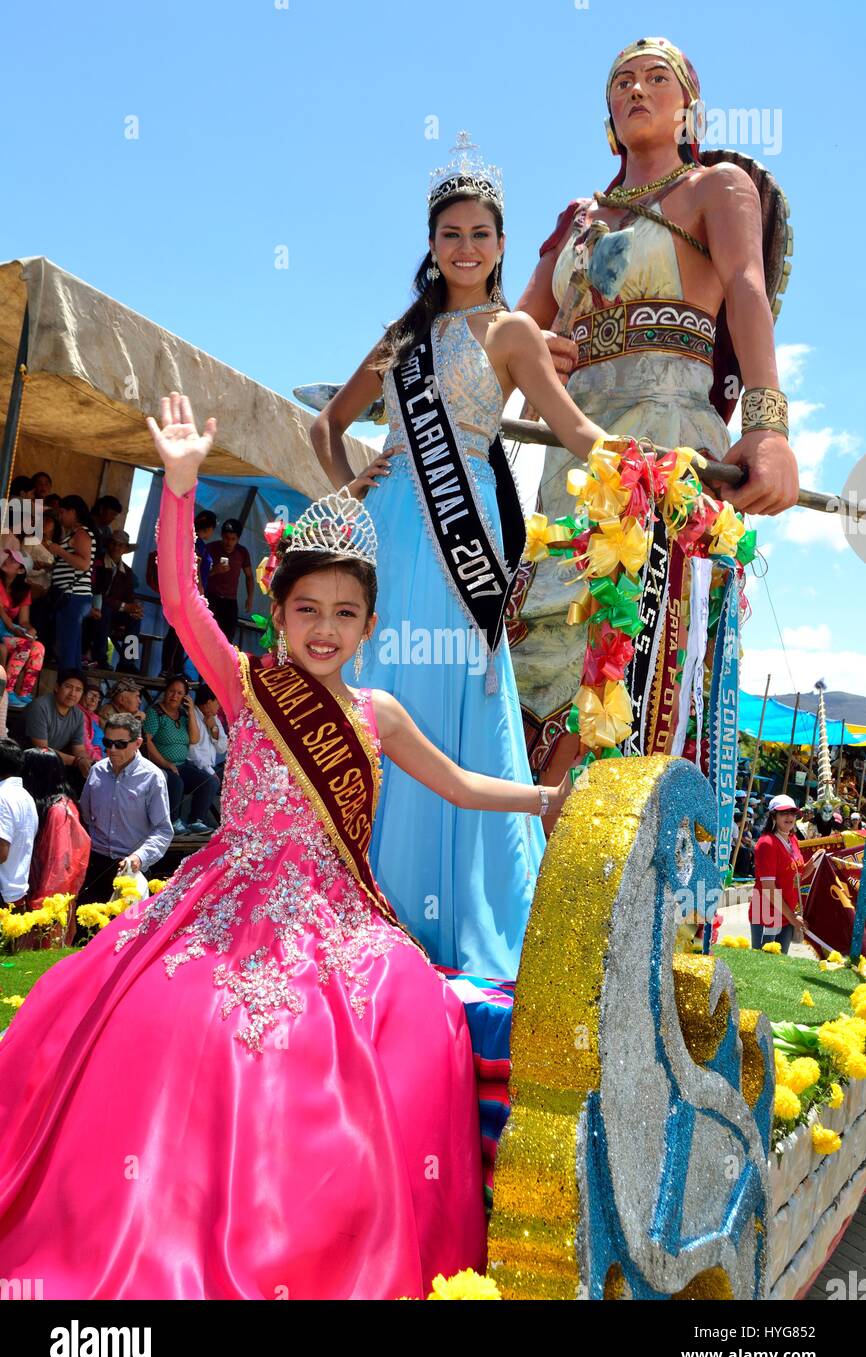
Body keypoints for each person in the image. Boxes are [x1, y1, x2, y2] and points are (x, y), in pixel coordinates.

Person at [0, 392, 575, 1299]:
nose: (325, 628)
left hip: (336, 908)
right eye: (308, 607)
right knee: (179, 1021)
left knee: (417, 1009)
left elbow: (461, 786)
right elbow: (184, 600)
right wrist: (181, 488)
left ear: (369, 626)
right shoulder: (250, 685)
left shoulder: (379, 715)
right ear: (279, 608)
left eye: (346, 613)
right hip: (227, 900)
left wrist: (544, 796)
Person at [312, 134, 603, 976]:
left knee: (461, 696)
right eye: (450, 234)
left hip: (464, 528)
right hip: (395, 527)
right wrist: (352, 496)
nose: (465, 247)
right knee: (382, 693)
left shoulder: (512, 329)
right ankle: (368, 899)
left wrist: (640, 461)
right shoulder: (401, 336)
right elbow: (325, 424)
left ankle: (460, 917)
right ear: (431, 244)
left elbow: (571, 429)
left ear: (502, 245)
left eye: (481, 234)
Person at [508, 36, 800, 789]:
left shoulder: (717, 188)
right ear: (608, 111)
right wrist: (536, 348)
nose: (638, 89)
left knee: (649, 648)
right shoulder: (576, 218)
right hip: (568, 468)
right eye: (623, 81)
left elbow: (745, 291)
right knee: (542, 646)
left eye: (657, 78)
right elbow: (510, 338)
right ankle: (537, 851)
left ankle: (627, 871)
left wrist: (769, 429)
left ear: (687, 104)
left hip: (671, 451)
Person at [77, 711, 173, 913]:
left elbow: (163, 830)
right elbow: (84, 816)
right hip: (95, 863)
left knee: (124, 935)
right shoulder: (97, 771)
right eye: (107, 743)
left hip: (131, 867)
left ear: (138, 743)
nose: (112, 749)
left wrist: (139, 857)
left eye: (120, 744)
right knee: (86, 933)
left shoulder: (152, 777)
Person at [22, 747, 90, 941]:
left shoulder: (59, 810)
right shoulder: (55, 805)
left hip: (51, 900)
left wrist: (42, 905)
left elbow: (58, 865)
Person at [750, 794, 820, 953]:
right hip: (766, 913)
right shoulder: (767, 843)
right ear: (773, 816)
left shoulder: (793, 839)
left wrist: (814, 862)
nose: (789, 817)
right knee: (763, 967)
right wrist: (792, 917)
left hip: (787, 913)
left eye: (792, 813)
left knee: (780, 967)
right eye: (784, 813)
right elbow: (768, 888)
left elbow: (797, 877)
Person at [142, 674, 212, 832]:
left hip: (181, 764)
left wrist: (191, 712)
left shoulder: (183, 714)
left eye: (179, 693)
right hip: (160, 765)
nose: (175, 695)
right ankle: (173, 822)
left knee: (207, 781)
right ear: (166, 692)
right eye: (172, 691)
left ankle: (196, 820)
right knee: (176, 782)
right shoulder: (155, 712)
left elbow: (194, 739)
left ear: (185, 697)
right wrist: (166, 763)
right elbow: (147, 741)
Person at [161, 508, 217, 675]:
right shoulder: (195, 543)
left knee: (182, 631)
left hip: (187, 592)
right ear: (209, 528)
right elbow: (196, 568)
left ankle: (175, 667)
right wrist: (198, 591)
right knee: (177, 630)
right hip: (188, 593)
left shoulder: (196, 543)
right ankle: (168, 667)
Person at [43, 495, 95, 669]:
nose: (61, 516)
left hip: (73, 596)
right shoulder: (75, 533)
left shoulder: (81, 533)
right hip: (71, 596)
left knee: (67, 647)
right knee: (70, 647)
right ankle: (72, 680)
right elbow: (72, 564)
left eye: (63, 512)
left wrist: (59, 551)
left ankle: (70, 682)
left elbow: (83, 563)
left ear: (73, 512)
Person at [24, 669, 91, 789]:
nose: (72, 693)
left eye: (78, 690)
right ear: (56, 687)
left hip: (52, 763)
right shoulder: (40, 707)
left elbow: (79, 748)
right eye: (68, 687)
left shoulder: (78, 715)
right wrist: (77, 761)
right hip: (28, 761)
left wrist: (84, 761)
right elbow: (42, 749)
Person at [88, 530, 143, 670]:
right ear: (109, 544)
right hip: (94, 608)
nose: (116, 548)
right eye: (114, 543)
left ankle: (128, 662)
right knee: (104, 610)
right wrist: (124, 606)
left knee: (135, 618)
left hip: (114, 612)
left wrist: (134, 609)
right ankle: (99, 658)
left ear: (125, 549)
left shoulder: (127, 572)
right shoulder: (97, 563)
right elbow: (96, 593)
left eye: (121, 545)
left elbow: (129, 598)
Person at [0, 547, 45, 707]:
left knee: (38, 647)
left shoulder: (24, 591)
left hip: (8, 632)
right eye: (9, 557)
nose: (7, 560)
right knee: (25, 645)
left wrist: (30, 630)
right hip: (3, 630)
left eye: (14, 560)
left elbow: (24, 620)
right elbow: (4, 616)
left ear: (20, 571)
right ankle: (8, 690)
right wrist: (16, 631)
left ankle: (24, 692)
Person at [0, 738, 38, 909]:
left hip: (3, 895)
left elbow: (1, 852)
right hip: (16, 894)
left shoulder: (2, 797)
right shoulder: (25, 796)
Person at [205, 519, 253, 643]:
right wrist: (215, 570)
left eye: (233, 539)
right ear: (221, 536)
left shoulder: (242, 552)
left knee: (228, 638)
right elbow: (197, 574)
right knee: (206, 636)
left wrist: (250, 598)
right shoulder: (210, 549)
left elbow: (249, 576)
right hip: (210, 598)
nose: (229, 542)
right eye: (226, 538)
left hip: (230, 600)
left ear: (238, 539)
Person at [186, 683, 228, 825]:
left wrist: (213, 728)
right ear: (209, 702)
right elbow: (193, 752)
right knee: (211, 781)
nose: (220, 706)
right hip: (194, 765)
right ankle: (196, 820)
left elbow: (223, 747)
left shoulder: (214, 719)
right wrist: (210, 771)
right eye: (218, 702)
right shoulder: (192, 716)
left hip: (209, 767)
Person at [89, 494, 123, 561]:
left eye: (115, 515)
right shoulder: (85, 524)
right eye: (112, 514)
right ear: (101, 510)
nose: (113, 518)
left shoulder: (107, 530)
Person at [81, 683, 105, 760]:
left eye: (97, 696)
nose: (94, 700)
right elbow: (85, 746)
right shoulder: (79, 715)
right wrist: (101, 762)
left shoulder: (95, 717)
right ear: (82, 695)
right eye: (90, 695)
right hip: (94, 760)